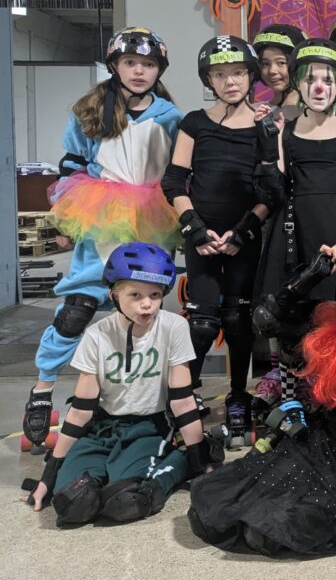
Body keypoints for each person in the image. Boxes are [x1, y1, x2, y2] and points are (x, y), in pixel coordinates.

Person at [188, 253, 336, 556]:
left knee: (275, 531)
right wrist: (310, 276)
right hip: (319, 446)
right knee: (221, 507)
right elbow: (266, 319)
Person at [24, 28, 182, 453]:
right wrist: (66, 218)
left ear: (158, 70)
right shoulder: (91, 110)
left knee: (141, 312)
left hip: (151, 217)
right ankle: (42, 389)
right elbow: (72, 164)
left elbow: (177, 168)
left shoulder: (169, 114)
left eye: (148, 65)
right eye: (131, 63)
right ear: (115, 64)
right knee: (78, 309)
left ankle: (135, 399)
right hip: (102, 214)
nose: (139, 71)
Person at [22, 243, 218, 526]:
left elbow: (183, 400)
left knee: (128, 500)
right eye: (135, 295)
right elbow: (80, 411)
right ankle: (90, 476)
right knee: (73, 502)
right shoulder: (96, 336)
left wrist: (201, 464)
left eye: (154, 295)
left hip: (149, 427)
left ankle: (182, 460)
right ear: (114, 294)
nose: (147, 304)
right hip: (101, 428)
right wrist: (48, 478)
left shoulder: (174, 327)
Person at [250, 38, 336, 417]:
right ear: (298, 84)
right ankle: (292, 402)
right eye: (311, 79)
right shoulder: (283, 128)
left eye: (327, 79)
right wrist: (269, 151)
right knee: (290, 325)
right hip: (292, 235)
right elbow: (272, 192)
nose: (319, 87)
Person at [161, 35, 268, 440]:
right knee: (203, 324)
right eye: (220, 75)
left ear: (251, 75)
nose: (231, 82)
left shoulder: (264, 124)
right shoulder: (195, 122)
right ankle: (183, 396)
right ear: (209, 79)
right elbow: (174, 179)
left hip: (245, 234)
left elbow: (272, 191)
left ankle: (238, 396)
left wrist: (244, 229)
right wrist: (194, 227)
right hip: (201, 234)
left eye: (238, 72)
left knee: (239, 322)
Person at [251, 22, 306, 114]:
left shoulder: (316, 113)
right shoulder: (255, 112)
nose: (272, 71)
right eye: (265, 64)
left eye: (281, 63)